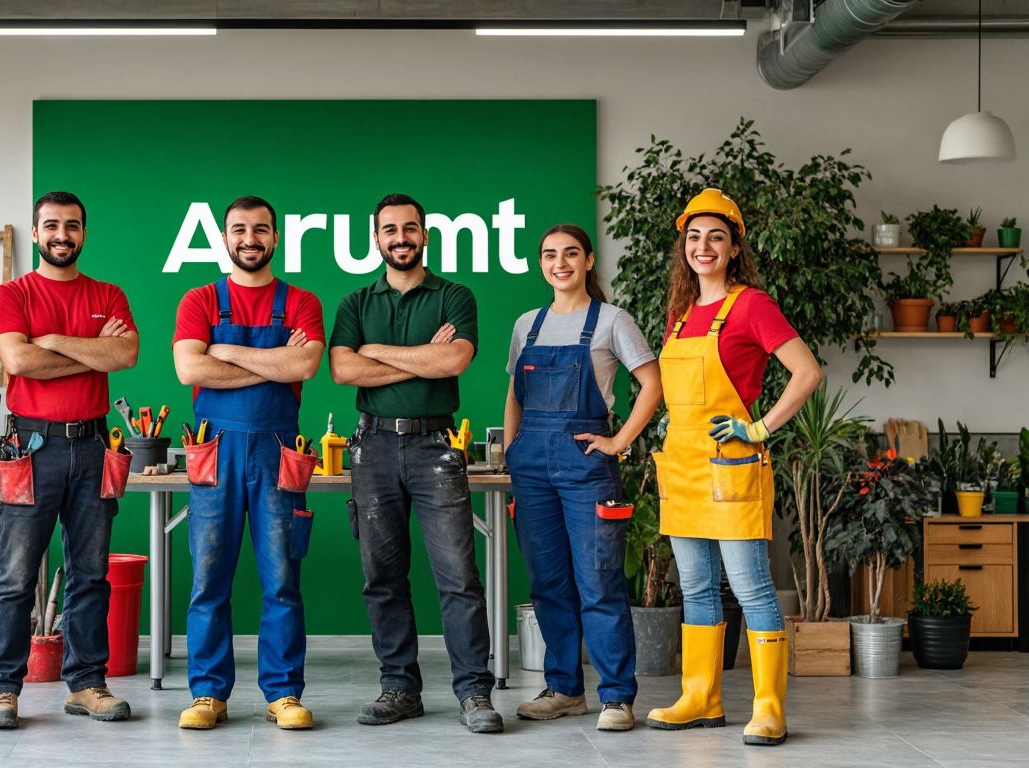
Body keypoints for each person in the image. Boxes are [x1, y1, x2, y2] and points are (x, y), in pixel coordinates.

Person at [645, 188, 822, 747]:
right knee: (696, 589)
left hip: (733, 466)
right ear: (684, 247)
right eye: (694, 237)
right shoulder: (678, 315)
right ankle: (701, 697)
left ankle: (769, 709)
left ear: (733, 247)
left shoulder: (751, 306)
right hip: (683, 469)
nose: (703, 247)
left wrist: (761, 428)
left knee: (752, 590)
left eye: (715, 237)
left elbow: (807, 372)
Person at [330, 193, 501, 734]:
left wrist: (376, 353)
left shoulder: (454, 294)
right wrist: (418, 360)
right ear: (375, 239)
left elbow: (454, 358)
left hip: (435, 448)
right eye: (389, 230)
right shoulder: (356, 302)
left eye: (410, 228)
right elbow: (340, 370)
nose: (400, 238)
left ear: (425, 234)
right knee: (382, 577)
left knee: (458, 578)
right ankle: (399, 688)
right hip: (372, 448)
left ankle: (475, 693)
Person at [0, 191, 139, 728]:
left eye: (72, 225)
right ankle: (2, 689)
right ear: (35, 232)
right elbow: (19, 360)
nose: (62, 235)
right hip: (29, 448)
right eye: (51, 226)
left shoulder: (108, 293)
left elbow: (125, 353)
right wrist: (85, 346)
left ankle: (87, 684)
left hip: (94, 447)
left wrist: (53, 341)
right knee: (15, 575)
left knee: (90, 574)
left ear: (84, 234)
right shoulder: (11, 294)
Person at [172, 196, 325, 731]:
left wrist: (226, 352)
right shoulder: (199, 299)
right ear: (225, 237)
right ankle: (208, 694)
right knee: (208, 579)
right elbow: (190, 370)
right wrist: (271, 363)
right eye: (239, 229)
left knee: (282, 578)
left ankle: (283, 693)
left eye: (261, 229)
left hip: (278, 451)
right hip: (215, 450)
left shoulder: (302, 301)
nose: (250, 239)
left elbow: (305, 361)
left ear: (275, 238)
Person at [503, 224, 662, 731]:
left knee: (599, 581)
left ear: (589, 260)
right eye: (550, 255)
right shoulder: (527, 323)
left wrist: (619, 442)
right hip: (531, 467)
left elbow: (652, 383)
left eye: (571, 253)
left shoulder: (613, 321)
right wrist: (511, 451)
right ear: (541, 263)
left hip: (586, 464)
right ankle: (566, 689)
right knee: (548, 583)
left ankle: (617, 697)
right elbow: (514, 395)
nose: (560, 263)